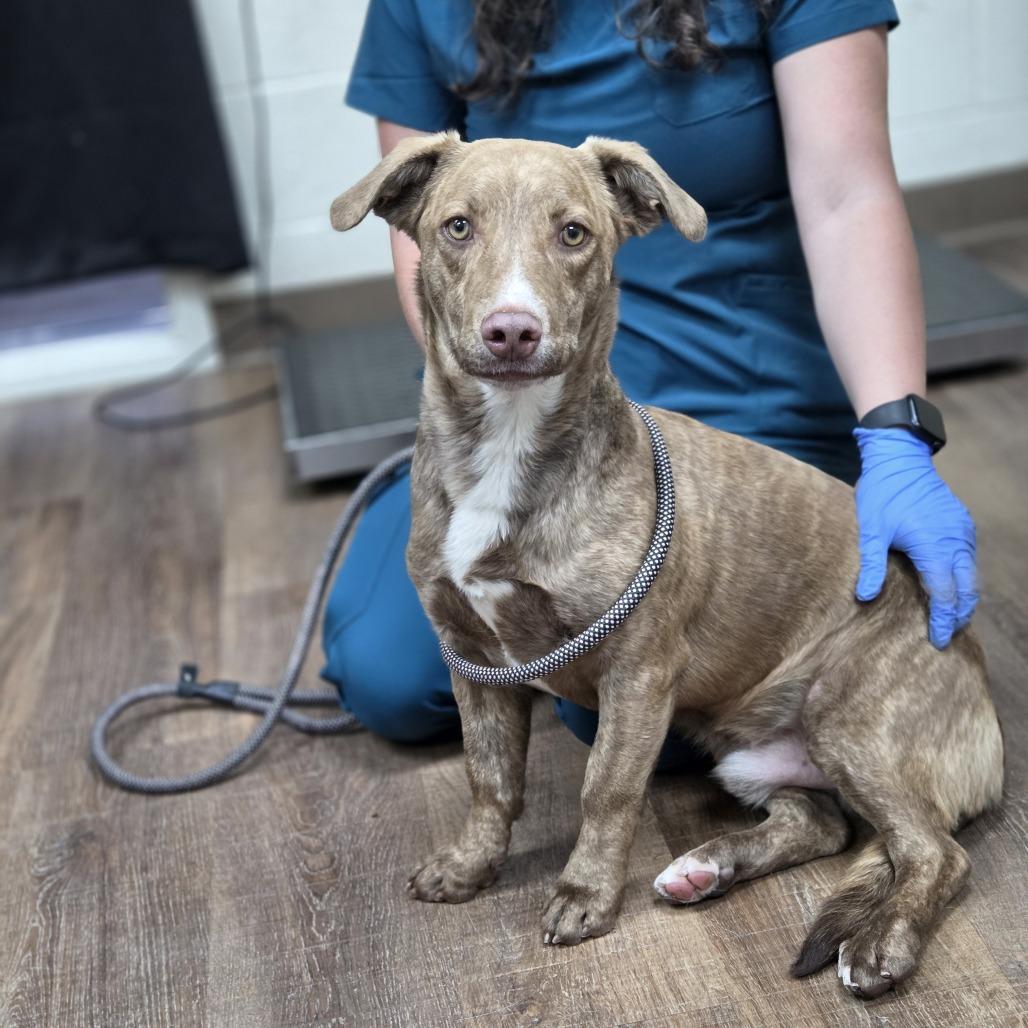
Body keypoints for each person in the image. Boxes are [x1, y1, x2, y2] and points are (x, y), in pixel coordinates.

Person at [321, 0, 978, 765]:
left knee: (633, 710)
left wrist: (898, 436)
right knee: (387, 681)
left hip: (739, 393)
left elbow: (848, 197)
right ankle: (514, 595)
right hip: (518, 411)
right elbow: (429, 234)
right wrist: (478, 404)